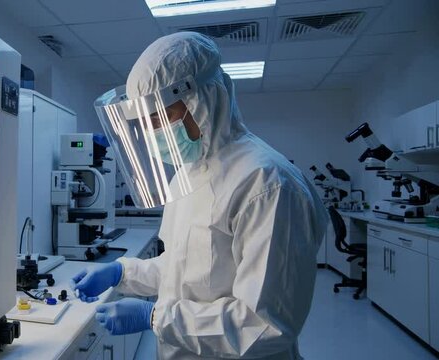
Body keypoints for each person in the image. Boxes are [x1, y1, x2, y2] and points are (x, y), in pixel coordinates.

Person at [71, 32, 328, 359]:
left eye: (162, 118)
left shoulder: (267, 184)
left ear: (203, 100)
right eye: (147, 123)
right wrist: (123, 272)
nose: (154, 134)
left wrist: (153, 316)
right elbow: (185, 270)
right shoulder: (186, 175)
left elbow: (265, 324)